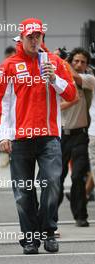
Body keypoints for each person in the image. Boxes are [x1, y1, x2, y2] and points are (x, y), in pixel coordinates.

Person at [0, 18, 76, 254]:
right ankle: (30, 238)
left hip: (49, 137)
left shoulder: (56, 63)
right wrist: (1, 136)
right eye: (30, 36)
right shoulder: (9, 65)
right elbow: (0, 103)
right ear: (22, 37)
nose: (34, 40)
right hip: (19, 139)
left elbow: (70, 94)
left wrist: (54, 78)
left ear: (42, 38)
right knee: (23, 193)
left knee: (52, 185)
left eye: (37, 36)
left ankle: (47, 231)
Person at [59, 47, 95, 227]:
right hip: (61, 136)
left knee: (77, 176)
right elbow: (55, 108)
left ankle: (80, 215)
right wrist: (71, 101)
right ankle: (50, 216)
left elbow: (76, 77)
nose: (79, 65)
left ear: (87, 65)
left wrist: (64, 62)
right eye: (76, 61)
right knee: (58, 176)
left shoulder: (88, 80)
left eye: (83, 62)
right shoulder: (59, 82)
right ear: (71, 62)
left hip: (81, 135)